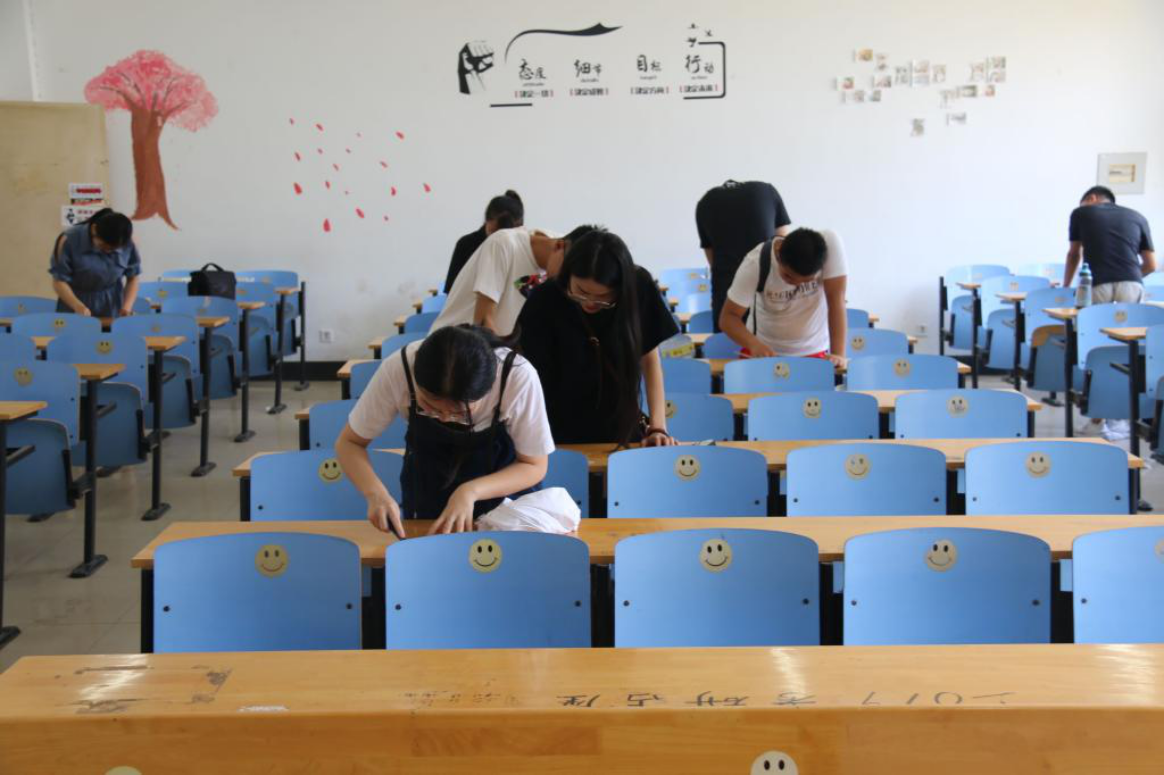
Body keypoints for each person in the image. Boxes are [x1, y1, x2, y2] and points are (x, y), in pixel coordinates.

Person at [336, 325, 554, 537]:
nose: (444, 418)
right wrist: (375, 494)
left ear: (490, 389)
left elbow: (534, 465)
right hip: (430, 482)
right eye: (429, 407)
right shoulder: (399, 368)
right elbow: (349, 443)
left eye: (460, 413)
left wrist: (470, 491)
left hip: (505, 490)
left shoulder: (515, 376)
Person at [518, 229, 680, 447]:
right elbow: (530, 376)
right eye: (581, 292)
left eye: (603, 297)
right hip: (555, 422)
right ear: (568, 274)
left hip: (620, 420)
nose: (590, 303)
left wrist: (658, 427)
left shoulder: (638, 288)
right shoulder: (545, 300)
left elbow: (649, 360)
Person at [1065, 186, 1156, 440]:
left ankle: (1098, 417)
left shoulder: (1081, 213)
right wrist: (1129, 276)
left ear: (1092, 198)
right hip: (1133, 284)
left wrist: (1065, 287)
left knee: (1095, 349)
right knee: (1130, 351)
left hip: (1098, 284)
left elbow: (1074, 254)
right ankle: (1127, 418)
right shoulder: (1137, 216)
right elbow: (1151, 264)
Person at [432, 225, 598, 336]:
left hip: (494, 356)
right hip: (450, 349)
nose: (565, 283)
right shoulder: (504, 244)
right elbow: (483, 321)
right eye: (565, 274)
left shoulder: (571, 251)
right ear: (558, 246)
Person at [718, 227, 848, 365]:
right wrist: (754, 344)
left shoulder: (830, 245)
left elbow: (836, 300)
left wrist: (838, 355)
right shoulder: (755, 263)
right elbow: (728, 318)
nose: (796, 285)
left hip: (814, 349)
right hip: (765, 351)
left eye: (806, 281)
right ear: (778, 253)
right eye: (788, 276)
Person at [695, 180, 792, 331]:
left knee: (727, 344)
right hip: (768, 293)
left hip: (727, 294)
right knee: (771, 343)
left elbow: (712, 259)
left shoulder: (705, 202)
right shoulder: (767, 191)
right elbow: (784, 246)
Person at [49, 208, 142, 317]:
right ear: (94, 229)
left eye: (113, 249)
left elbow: (133, 278)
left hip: (112, 302)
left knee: (111, 328)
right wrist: (77, 306)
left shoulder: (127, 242)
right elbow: (59, 281)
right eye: (103, 246)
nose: (108, 251)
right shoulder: (69, 240)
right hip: (74, 300)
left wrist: (126, 307)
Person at [443, 190, 524, 293]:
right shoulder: (465, 244)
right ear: (487, 221)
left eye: (506, 235)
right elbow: (451, 290)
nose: (499, 240)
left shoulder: (522, 248)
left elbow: (520, 291)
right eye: (495, 233)